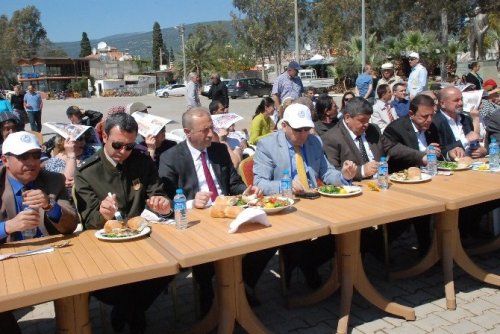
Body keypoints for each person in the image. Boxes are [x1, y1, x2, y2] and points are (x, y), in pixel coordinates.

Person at [158, 107, 270, 314]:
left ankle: (241, 283)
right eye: (204, 130)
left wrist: (245, 191)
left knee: (268, 238)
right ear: (187, 132)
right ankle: (208, 295)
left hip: (227, 211)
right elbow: (165, 198)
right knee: (205, 250)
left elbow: (233, 183)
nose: (211, 134)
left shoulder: (218, 150)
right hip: (197, 220)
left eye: (211, 128)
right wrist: (191, 202)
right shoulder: (170, 157)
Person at [74, 112, 173, 333]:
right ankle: (133, 316)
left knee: (172, 266)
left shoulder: (141, 161)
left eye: (129, 146)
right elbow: (88, 219)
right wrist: (103, 214)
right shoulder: (87, 173)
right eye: (118, 145)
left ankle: (125, 313)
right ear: (104, 137)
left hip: (144, 241)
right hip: (106, 247)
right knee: (119, 288)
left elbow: (158, 192)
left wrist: (163, 204)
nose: (123, 152)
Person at [253, 103, 356, 288]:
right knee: (298, 241)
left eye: (306, 129)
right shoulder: (267, 145)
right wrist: (285, 185)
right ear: (284, 125)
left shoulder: (314, 141)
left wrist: (344, 176)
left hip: (315, 203)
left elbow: (326, 173)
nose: (303, 135)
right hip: (286, 208)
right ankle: (312, 276)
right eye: (298, 130)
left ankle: (306, 266)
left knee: (349, 229)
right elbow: (259, 182)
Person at [323, 97, 384, 181]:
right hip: (356, 187)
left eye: (368, 120)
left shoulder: (372, 129)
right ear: (347, 117)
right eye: (362, 120)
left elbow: (390, 147)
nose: (366, 124)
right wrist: (361, 171)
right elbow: (332, 172)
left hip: (382, 181)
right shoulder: (332, 138)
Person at [432, 86, 486, 159]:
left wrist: (481, 150)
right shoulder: (435, 123)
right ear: (442, 103)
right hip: (451, 166)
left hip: (471, 163)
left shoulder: (466, 119)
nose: (460, 103)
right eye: (456, 100)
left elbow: (474, 143)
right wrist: (465, 140)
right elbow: (439, 151)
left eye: (461, 99)